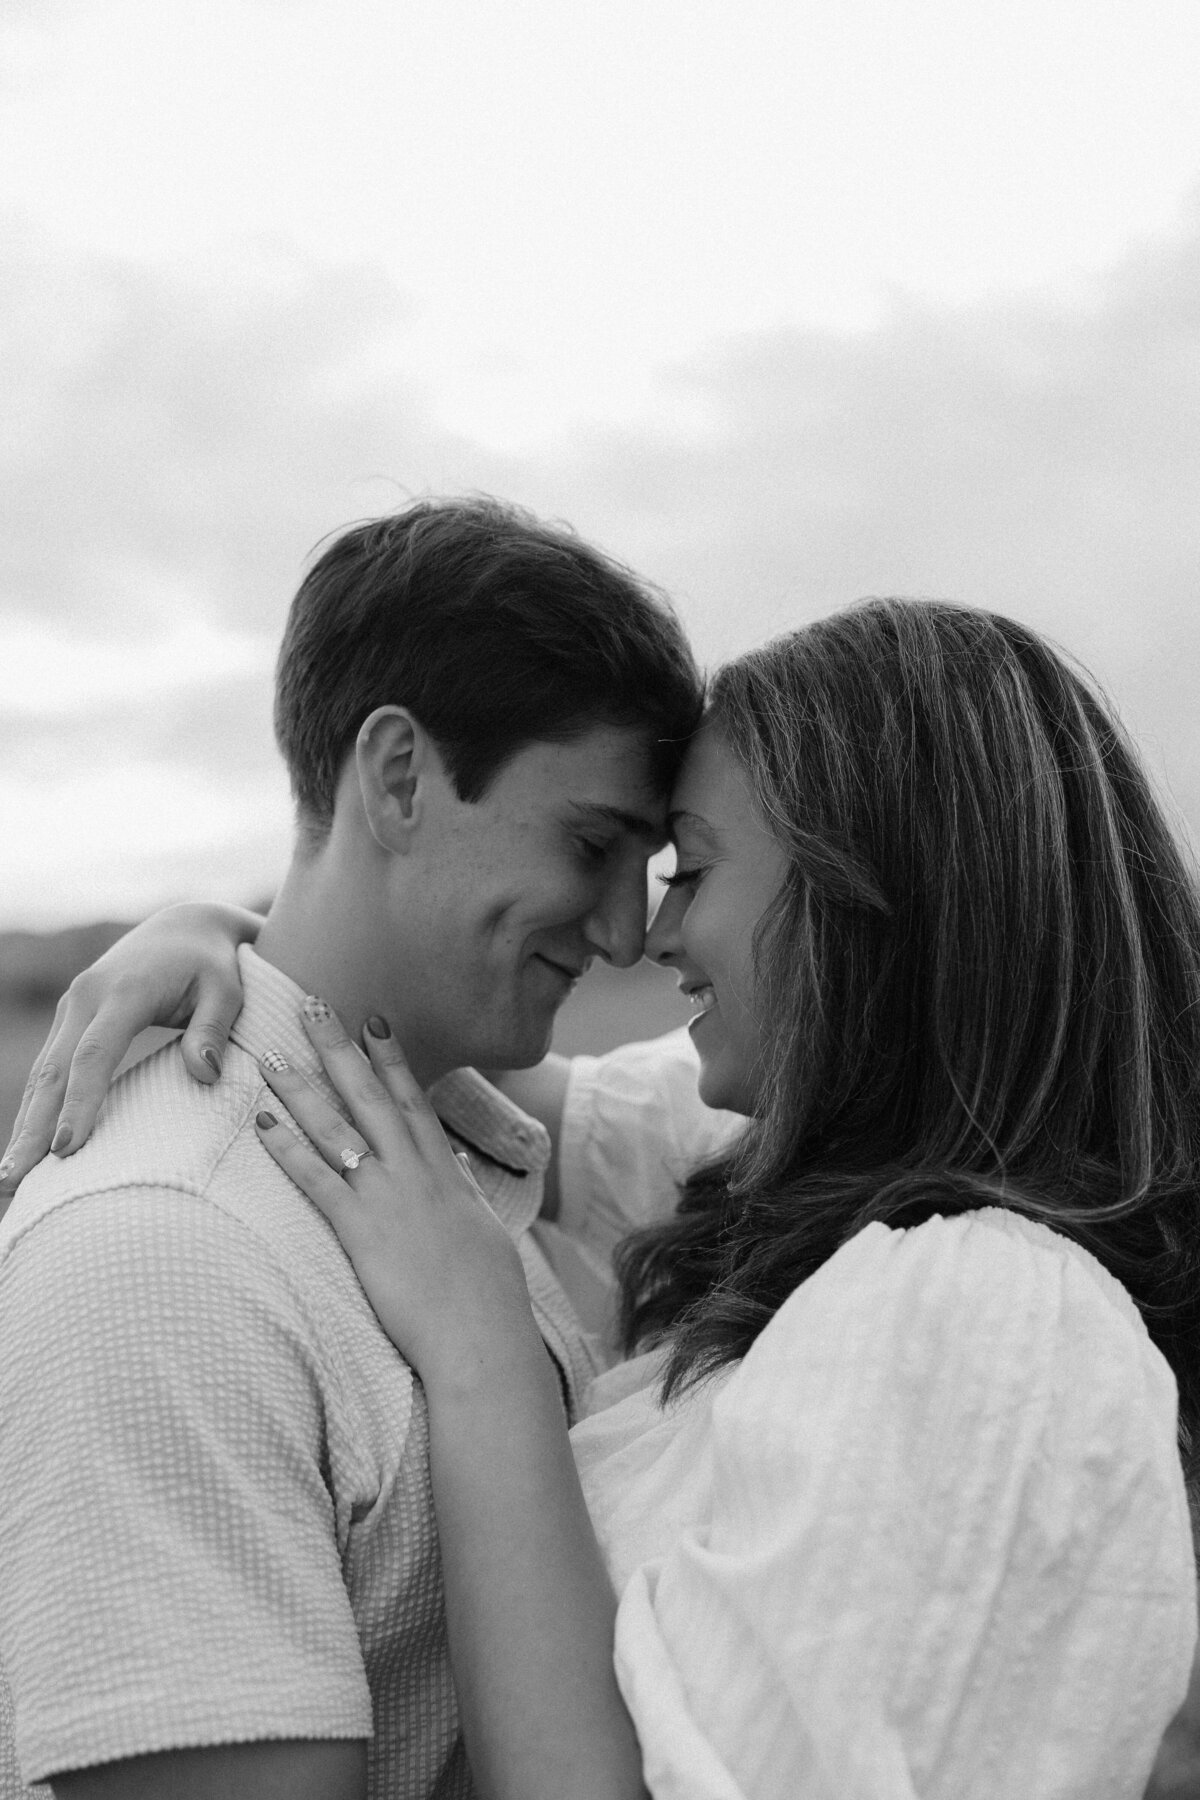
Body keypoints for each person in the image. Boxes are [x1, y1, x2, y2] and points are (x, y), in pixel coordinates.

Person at [8, 598, 1200, 1798]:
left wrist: (483, 1354)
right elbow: (426, 1032)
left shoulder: (986, 1307)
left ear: (872, 900)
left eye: (693, 866)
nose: (646, 929)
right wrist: (230, 940)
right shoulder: (828, 1171)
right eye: (606, 852)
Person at [0, 495, 704, 1800]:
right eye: (594, 845)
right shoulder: (162, 1256)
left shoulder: (441, 1151)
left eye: (652, 872)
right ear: (396, 779)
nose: (622, 935)